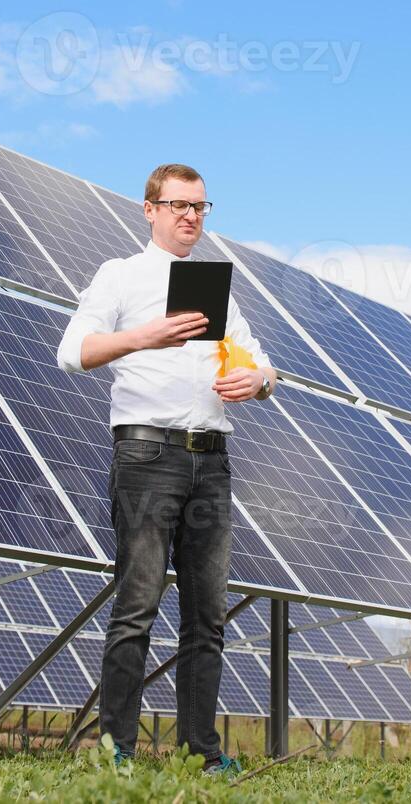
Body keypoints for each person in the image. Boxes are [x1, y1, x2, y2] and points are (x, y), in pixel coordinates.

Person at [55, 163, 276, 773]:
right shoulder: (121, 276)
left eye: (201, 207)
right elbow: (72, 351)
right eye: (179, 205)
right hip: (148, 458)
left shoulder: (217, 291)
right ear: (149, 209)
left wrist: (257, 380)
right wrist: (144, 337)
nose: (191, 217)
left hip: (212, 462)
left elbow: (264, 367)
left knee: (207, 615)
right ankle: (116, 749)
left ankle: (201, 753)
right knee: (138, 606)